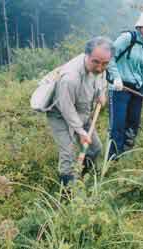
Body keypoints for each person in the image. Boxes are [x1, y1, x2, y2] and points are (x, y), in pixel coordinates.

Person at [46, 36, 114, 186]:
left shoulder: (100, 65)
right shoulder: (70, 78)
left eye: (105, 64)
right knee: (68, 155)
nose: (99, 68)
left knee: (95, 148)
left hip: (82, 111)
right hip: (61, 114)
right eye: (95, 62)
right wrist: (80, 131)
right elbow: (66, 107)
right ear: (87, 55)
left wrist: (101, 93)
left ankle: (81, 177)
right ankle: (67, 196)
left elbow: (101, 77)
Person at [107, 10, 143, 159]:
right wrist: (116, 77)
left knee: (133, 125)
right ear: (141, 25)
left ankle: (125, 158)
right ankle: (112, 159)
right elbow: (109, 57)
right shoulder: (127, 38)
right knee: (117, 125)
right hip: (120, 87)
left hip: (137, 89)